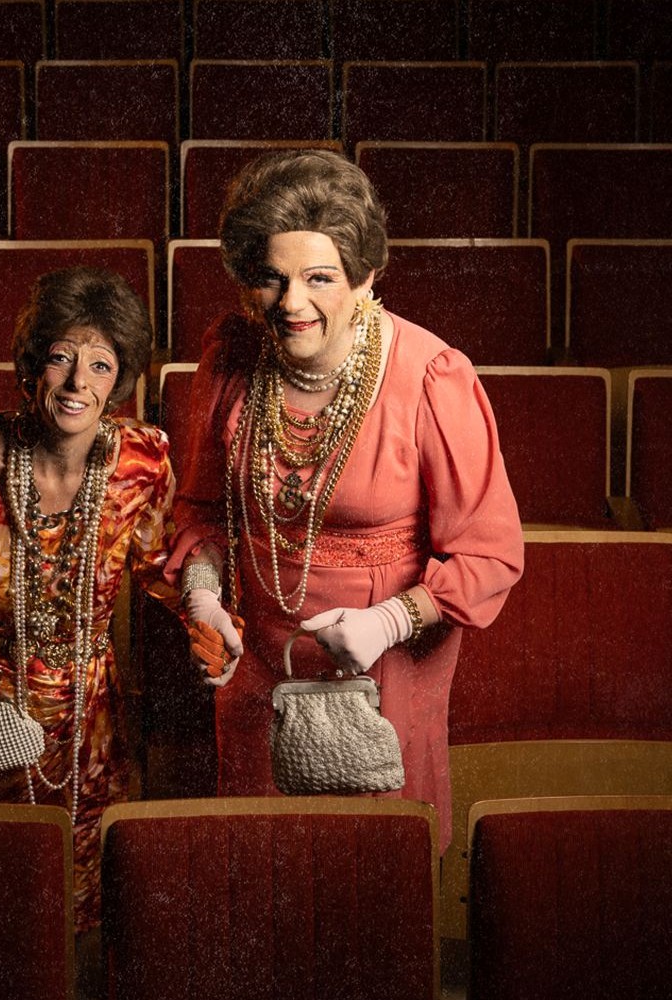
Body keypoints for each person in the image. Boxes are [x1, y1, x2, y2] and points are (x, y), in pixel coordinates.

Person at [169, 149, 524, 851]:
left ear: (365, 277)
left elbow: (490, 555)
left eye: (319, 277)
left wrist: (391, 620)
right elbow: (203, 514)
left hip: (385, 666)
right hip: (258, 662)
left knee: (368, 865)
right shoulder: (231, 357)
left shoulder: (431, 375)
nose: (291, 303)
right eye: (271, 277)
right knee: (265, 864)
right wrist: (203, 596)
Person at [0, 266, 176, 932]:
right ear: (31, 365)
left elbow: (158, 566)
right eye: (61, 358)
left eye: (100, 365)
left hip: (86, 719)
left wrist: (204, 612)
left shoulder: (143, 462)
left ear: (119, 382)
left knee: (71, 904)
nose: (77, 383)